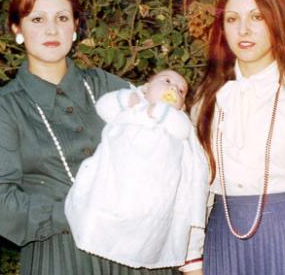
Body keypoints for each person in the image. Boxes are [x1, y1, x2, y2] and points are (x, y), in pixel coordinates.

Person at [0, 0, 178, 275]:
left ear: (75, 27)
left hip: (135, 255)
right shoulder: (4, 107)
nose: (51, 29)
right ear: (17, 29)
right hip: (61, 255)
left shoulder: (110, 88)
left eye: (62, 18)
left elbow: (164, 149)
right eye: (37, 19)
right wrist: (71, 213)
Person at [184, 0, 285, 275]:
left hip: (284, 240)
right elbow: (194, 186)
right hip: (222, 241)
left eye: (257, 17)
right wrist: (192, 259)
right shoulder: (206, 100)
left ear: (276, 23)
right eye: (232, 19)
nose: (244, 30)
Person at [65, 70, 209, 269]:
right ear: (147, 87)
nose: (173, 88)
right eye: (167, 81)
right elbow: (103, 107)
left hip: (154, 186)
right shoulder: (132, 105)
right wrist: (128, 99)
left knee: (147, 219)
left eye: (181, 91)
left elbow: (182, 129)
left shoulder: (176, 118)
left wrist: (161, 111)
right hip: (120, 177)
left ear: (183, 106)